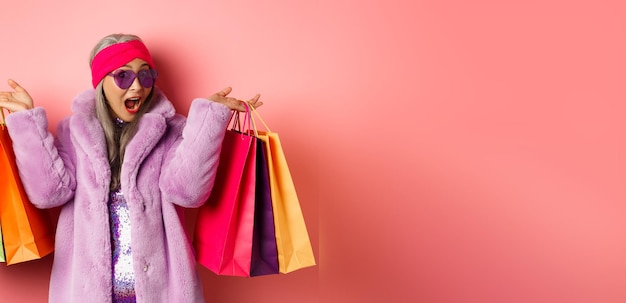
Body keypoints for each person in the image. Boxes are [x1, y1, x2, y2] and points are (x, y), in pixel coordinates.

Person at [0, 33, 262, 303]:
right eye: (123, 76)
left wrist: (208, 121)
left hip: (161, 294)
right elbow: (48, 194)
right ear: (101, 82)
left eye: (146, 76)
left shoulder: (172, 131)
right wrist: (26, 123)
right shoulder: (73, 132)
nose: (137, 87)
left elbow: (188, 193)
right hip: (85, 293)